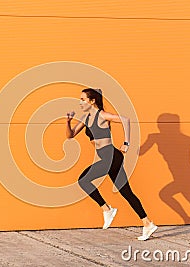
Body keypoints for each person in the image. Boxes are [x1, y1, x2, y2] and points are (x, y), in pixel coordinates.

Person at [66, 88, 157, 241]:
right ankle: (147, 223)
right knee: (126, 192)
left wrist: (126, 143)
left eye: (83, 99)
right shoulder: (85, 119)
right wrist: (67, 122)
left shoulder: (102, 115)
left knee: (83, 180)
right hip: (109, 158)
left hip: (111, 156)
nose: (80, 102)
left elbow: (125, 120)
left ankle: (106, 209)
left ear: (92, 101)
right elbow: (70, 136)